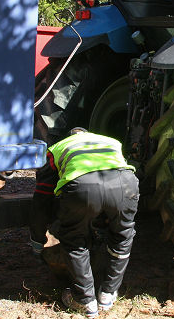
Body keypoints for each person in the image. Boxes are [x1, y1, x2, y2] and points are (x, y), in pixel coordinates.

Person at [29, 127, 139, 318]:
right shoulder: (111, 141)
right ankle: (107, 295)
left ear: (71, 137)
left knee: (74, 240)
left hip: (82, 188)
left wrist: (37, 241)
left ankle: (84, 301)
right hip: (126, 183)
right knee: (122, 237)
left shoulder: (57, 148)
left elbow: (42, 198)